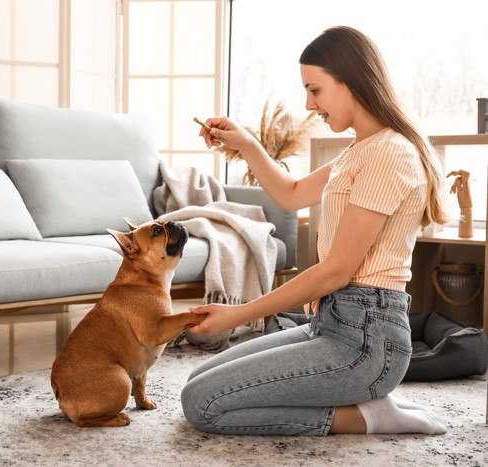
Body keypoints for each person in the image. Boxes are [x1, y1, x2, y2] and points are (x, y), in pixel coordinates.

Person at [181, 26, 449, 436]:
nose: (309, 104)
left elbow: (335, 272)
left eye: (315, 90)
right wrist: (247, 142)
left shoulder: (390, 154)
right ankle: (357, 397)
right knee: (198, 382)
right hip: (332, 323)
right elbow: (290, 194)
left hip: (365, 342)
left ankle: (370, 415)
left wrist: (238, 314)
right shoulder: (360, 150)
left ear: (352, 81)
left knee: (202, 405)